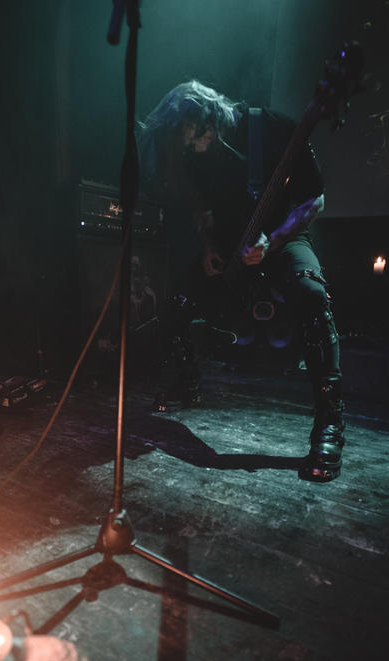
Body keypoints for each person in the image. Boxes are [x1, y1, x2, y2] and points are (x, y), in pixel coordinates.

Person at [137, 80, 345, 483]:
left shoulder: (273, 128)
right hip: (233, 246)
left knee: (311, 294)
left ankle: (330, 424)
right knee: (175, 305)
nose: (189, 148)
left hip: (282, 239)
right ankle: (187, 379)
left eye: (188, 138)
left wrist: (274, 239)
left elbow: (314, 200)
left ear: (204, 119)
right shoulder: (199, 155)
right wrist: (207, 245)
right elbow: (200, 206)